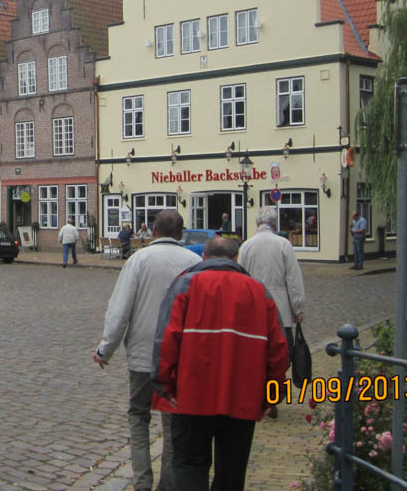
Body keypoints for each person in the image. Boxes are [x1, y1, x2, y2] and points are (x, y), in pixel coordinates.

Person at [152, 235, 288, 490]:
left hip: (190, 396)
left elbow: (165, 340)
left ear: (204, 256)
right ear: (236, 258)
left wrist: (164, 386)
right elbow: (279, 350)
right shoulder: (259, 291)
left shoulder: (184, 285)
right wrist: (272, 395)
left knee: (189, 466)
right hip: (242, 397)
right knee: (232, 472)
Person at [93, 209, 202, 491]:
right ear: (181, 233)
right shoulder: (195, 263)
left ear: (153, 231)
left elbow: (120, 309)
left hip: (143, 355)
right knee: (173, 423)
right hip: (179, 356)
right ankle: (168, 484)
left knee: (138, 415)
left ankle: (142, 481)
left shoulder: (138, 260)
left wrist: (105, 349)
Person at [239, 206, 306, 414]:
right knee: (281, 355)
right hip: (280, 309)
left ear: (257, 223)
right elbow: (293, 279)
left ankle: (260, 393)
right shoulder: (283, 244)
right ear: (275, 224)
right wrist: (298, 308)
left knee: (257, 354)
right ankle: (273, 396)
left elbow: (240, 277)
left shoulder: (246, 246)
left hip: (253, 308)